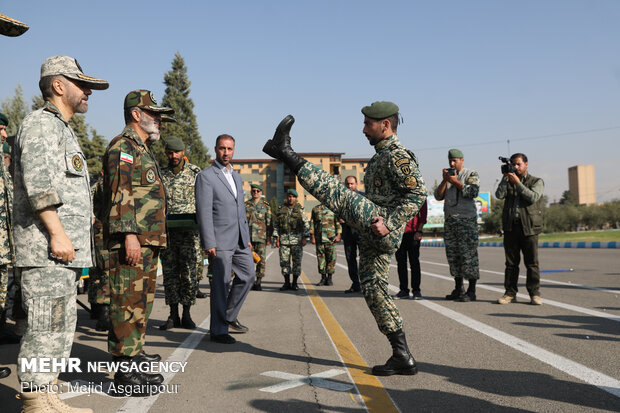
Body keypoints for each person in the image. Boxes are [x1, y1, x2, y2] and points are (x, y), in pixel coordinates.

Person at [263, 101, 426, 376]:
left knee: (337, 195)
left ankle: (286, 151)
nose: (363, 129)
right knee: (375, 292)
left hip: (383, 225)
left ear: (385, 125)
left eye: (368, 124)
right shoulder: (379, 156)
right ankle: (402, 355)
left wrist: (390, 223)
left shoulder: (397, 155)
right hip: (374, 231)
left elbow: (418, 193)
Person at [13, 55, 107, 412]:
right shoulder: (40, 125)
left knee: (59, 327)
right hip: (45, 249)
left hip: (62, 254)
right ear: (57, 85)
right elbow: (39, 184)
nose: (88, 92)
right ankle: (36, 403)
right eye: (81, 85)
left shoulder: (62, 129)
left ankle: (48, 394)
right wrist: (57, 233)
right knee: (44, 327)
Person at [102, 89, 172, 394]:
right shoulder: (123, 147)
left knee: (140, 305)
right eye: (153, 114)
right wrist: (129, 235)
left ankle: (135, 355)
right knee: (126, 305)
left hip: (147, 241)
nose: (158, 120)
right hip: (132, 242)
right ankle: (124, 374)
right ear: (136, 114)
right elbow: (121, 193)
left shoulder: (142, 149)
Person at [195, 134, 255, 344]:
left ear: (234, 150)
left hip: (239, 239)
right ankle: (218, 331)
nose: (226, 153)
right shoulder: (206, 176)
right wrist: (208, 242)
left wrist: (246, 237)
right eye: (222, 148)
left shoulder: (236, 176)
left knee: (249, 275)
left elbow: (240, 209)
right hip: (219, 241)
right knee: (221, 284)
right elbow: (203, 212)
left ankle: (228, 316)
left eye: (229, 149)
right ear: (215, 149)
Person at [159, 136, 202, 330]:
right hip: (168, 234)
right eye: (170, 152)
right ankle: (173, 315)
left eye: (176, 152)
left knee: (188, 274)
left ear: (183, 152)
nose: (173, 155)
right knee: (169, 274)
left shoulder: (195, 173)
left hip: (189, 234)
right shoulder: (162, 174)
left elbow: (203, 201)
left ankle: (187, 314)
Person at [495, 153, 544, 305]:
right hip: (511, 227)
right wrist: (506, 178)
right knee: (511, 263)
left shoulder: (536, 181)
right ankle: (510, 293)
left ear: (526, 164)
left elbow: (533, 197)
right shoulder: (508, 180)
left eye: (518, 164)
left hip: (529, 227)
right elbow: (499, 195)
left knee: (531, 263)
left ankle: (534, 294)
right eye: (513, 165)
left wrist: (518, 183)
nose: (515, 167)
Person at [434, 149, 481, 302]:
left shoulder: (471, 174)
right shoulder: (448, 177)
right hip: (450, 222)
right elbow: (438, 195)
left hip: (466, 221)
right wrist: (445, 180)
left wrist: (455, 182)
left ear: (462, 160)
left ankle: (471, 290)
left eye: (455, 160)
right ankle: (458, 289)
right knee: (454, 256)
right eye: (450, 160)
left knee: (469, 256)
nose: (452, 163)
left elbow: (473, 192)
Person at [87, 172, 111, 332]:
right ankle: (104, 315)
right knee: (106, 272)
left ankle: (96, 309)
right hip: (103, 234)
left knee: (95, 272)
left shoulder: (92, 187)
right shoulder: (103, 186)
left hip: (94, 234)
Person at [273, 189, 309, 291]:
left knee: (297, 262)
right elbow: (276, 225)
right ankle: (286, 283)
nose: (291, 198)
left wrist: (305, 238)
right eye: (289, 196)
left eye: (293, 197)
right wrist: (277, 238)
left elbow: (306, 224)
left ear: (296, 198)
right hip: (284, 240)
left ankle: (295, 283)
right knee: (284, 262)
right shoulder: (281, 209)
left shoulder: (300, 209)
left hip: (296, 240)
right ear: (287, 197)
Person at [394, 200, 427, 300]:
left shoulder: (417, 192)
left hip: (413, 233)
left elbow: (423, 213)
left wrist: (420, 231)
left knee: (414, 262)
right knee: (401, 262)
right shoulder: (396, 193)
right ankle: (404, 290)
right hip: (398, 233)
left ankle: (416, 291)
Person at [245, 183, 272, 291]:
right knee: (248, 260)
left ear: (261, 193)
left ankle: (259, 282)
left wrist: (269, 238)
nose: (255, 192)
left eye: (257, 191)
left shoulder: (266, 206)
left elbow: (269, 223)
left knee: (261, 260)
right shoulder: (246, 205)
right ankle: (249, 281)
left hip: (261, 237)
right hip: (248, 238)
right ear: (251, 192)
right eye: (253, 191)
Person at [310, 203, 341, 286]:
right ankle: (323, 278)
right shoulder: (315, 209)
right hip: (319, 238)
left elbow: (337, 222)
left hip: (331, 238)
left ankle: (330, 278)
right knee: (321, 259)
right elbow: (312, 223)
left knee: (331, 258)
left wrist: (338, 235)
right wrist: (312, 236)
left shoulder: (333, 208)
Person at [341, 176, 363, 293]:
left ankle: (366, 284)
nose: (349, 186)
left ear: (356, 184)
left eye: (352, 184)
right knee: (350, 259)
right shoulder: (342, 199)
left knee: (364, 258)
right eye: (347, 184)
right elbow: (337, 212)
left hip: (361, 232)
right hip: (348, 232)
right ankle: (356, 284)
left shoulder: (363, 197)